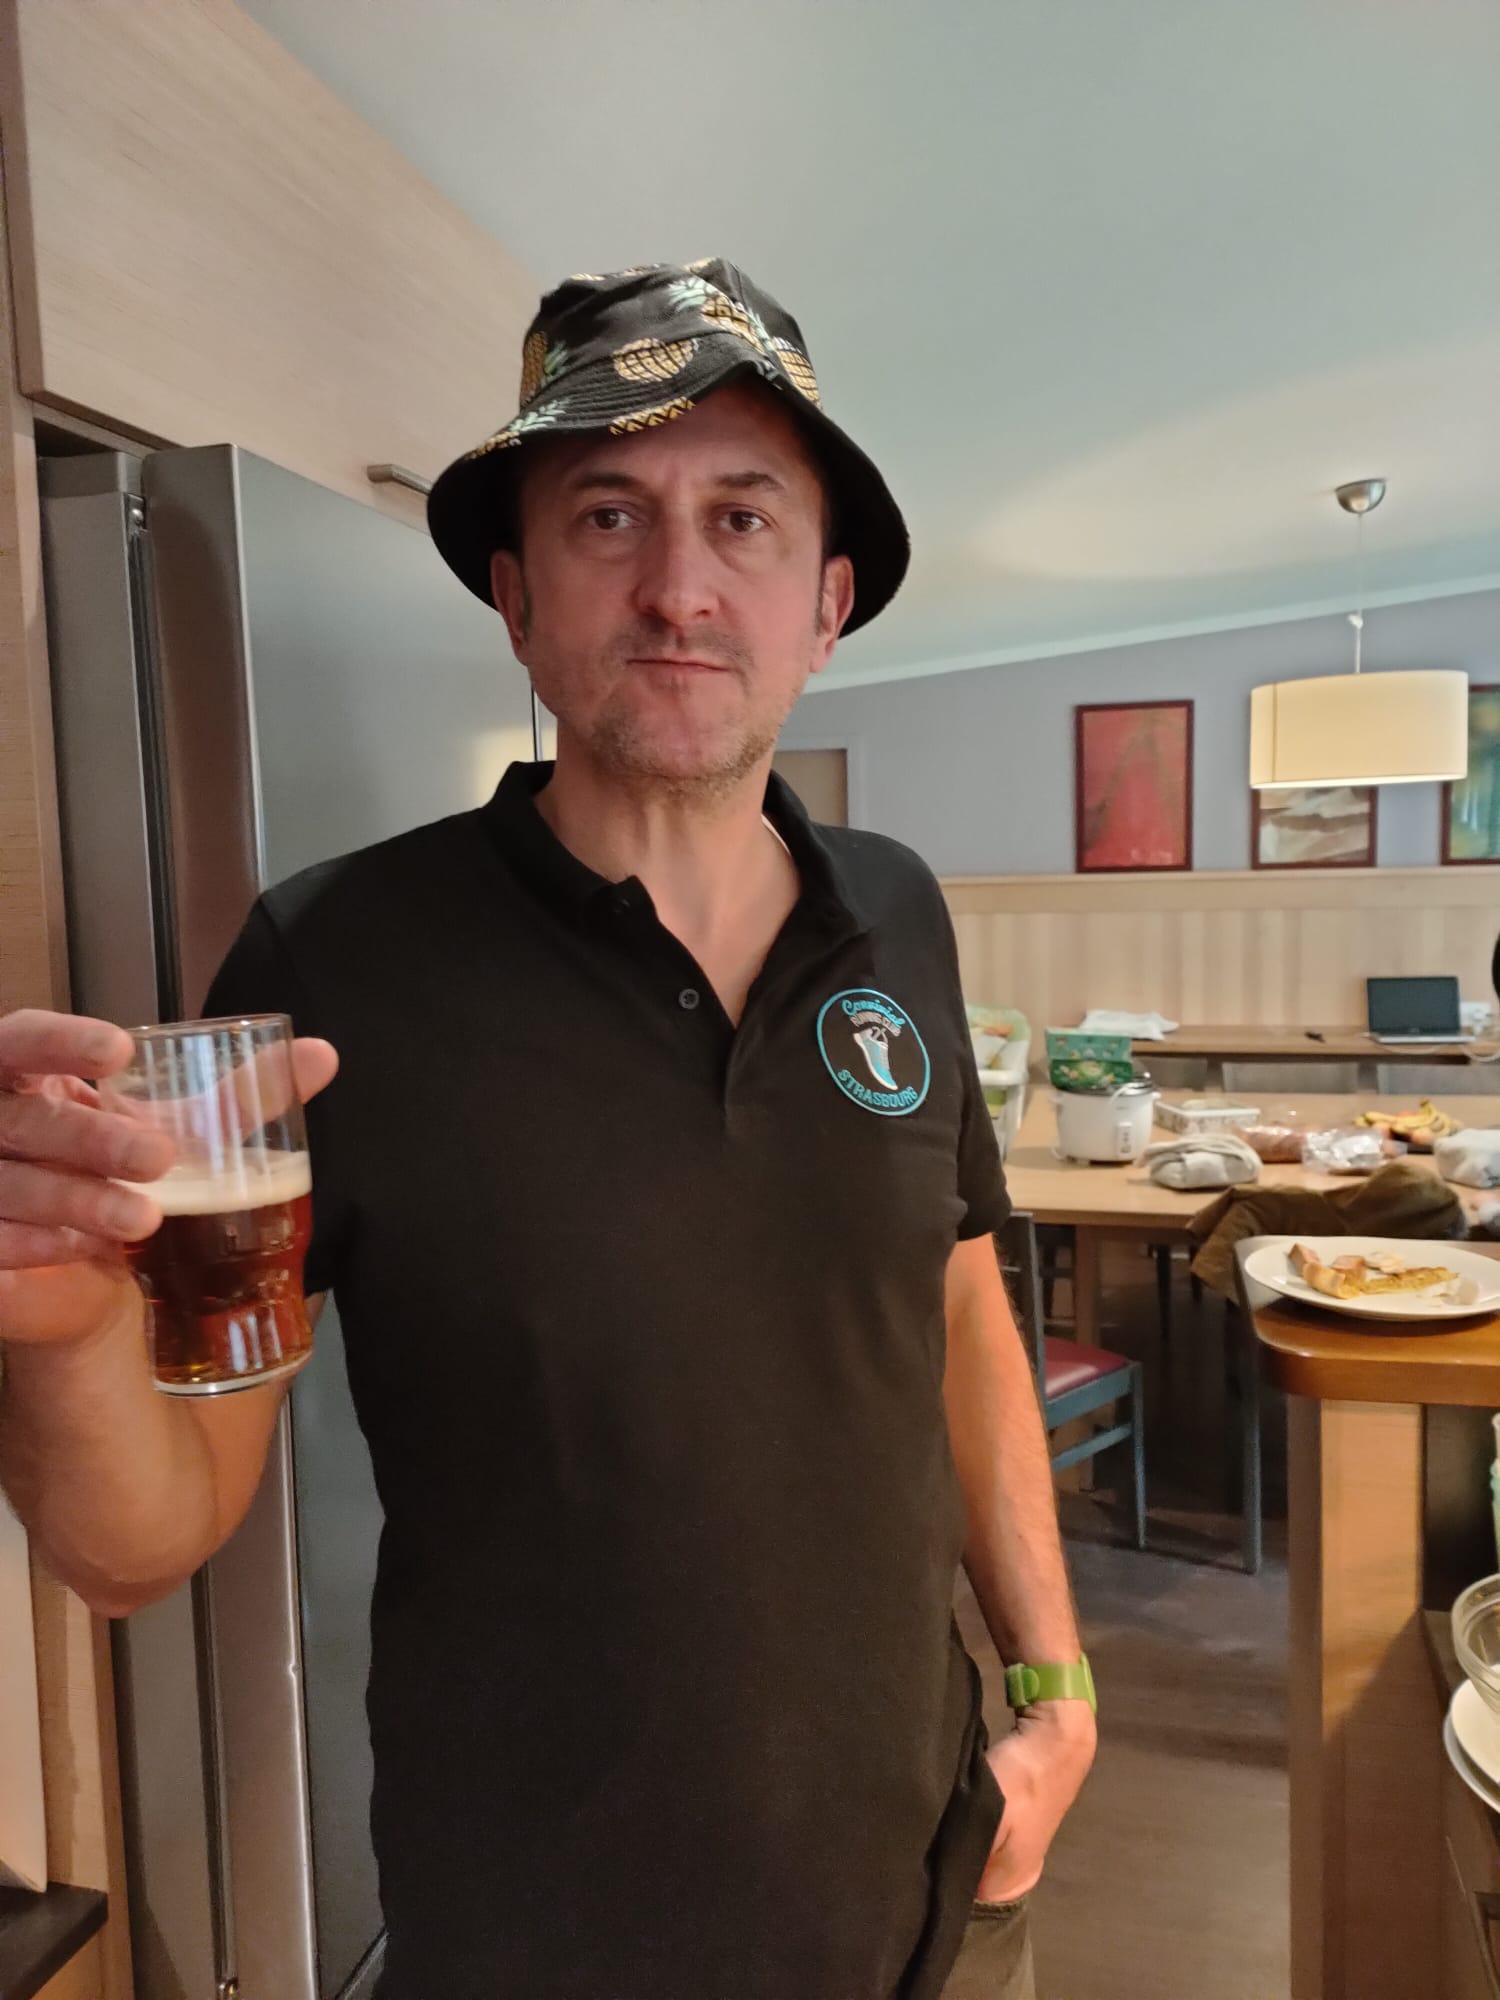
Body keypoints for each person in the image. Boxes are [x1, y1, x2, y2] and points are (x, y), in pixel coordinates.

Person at [0, 260, 1094, 2000]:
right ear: (516, 599)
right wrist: (58, 1327)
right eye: (608, 514)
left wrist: (1052, 1681)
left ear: (826, 605)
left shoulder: (897, 910)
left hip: (936, 1896)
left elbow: (955, 1295)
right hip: (540, 1936)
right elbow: (139, 1540)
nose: (679, 586)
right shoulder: (330, 958)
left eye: (743, 518)